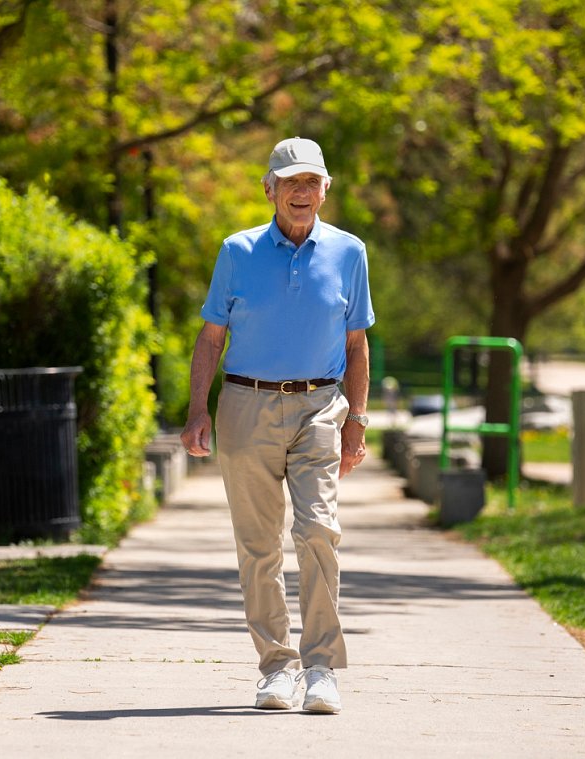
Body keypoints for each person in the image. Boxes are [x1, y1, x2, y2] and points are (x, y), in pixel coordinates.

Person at [180, 136, 373, 714]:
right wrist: (197, 411)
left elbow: (357, 343)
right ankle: (276, 668)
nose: (301, 192)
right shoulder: (237, 251)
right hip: (245, 405)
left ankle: (320, 669)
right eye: (290, 182)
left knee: (318, 531)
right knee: (258, 545)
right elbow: (212, 338)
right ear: (269, 189)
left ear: (325, 191)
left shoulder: (349, 252)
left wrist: (357, 421)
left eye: (311, 182)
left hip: (320, 406)